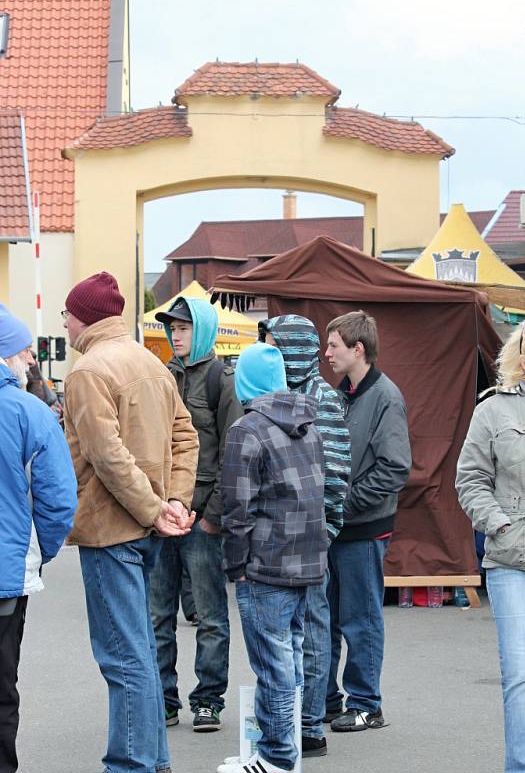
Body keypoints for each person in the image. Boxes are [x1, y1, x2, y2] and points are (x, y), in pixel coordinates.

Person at [62, 272, 199, 773]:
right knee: (138, 649)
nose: (65, 322)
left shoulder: (87, 371)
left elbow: (106, 455)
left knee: (123, 656)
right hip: (149, 527)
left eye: (67, 314)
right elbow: (188, 439)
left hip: (111, 528)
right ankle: (152, 760)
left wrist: (154, 508)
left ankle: (133, 764)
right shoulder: (153, 364)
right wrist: (174, 503)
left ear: (83, 318)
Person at [218, 342, 329, 773]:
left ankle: (276, 757)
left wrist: (236, 568)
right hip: (307, 562)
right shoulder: (310, 424)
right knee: (291, 658)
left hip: (264, 566)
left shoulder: (246, 430)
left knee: (274, 665)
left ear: (244, 381)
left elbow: (236, 509)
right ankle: (284, 750)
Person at [258, 314, 350, 757]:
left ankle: (311, 725)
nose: (272, 354)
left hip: (311, 539)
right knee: (283, 636)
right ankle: (286, 719)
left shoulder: (320, 398)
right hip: (278, 543)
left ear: (295, 348)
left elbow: (335, 472)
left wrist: (325, 531)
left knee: (311, 631)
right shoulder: (275, 396)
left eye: (277, 346)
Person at [150, 295, 242, 731]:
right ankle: (163, 698)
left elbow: (233, 452)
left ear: (202, 329)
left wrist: (212, 516)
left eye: (184, 327)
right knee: (158, 614)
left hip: (202, 517)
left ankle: (208, 700)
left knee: (209, 615)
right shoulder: (161, 376)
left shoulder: (222, 381)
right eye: (172, 328)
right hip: (161, 516)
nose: (176, 334)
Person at [324, 311, 411, 732]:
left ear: (358, 350)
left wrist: (344, 504)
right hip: (335, 528)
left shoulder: (386, 397)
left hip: (363, 527)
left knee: (361, 619)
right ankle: (327, 700)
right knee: (326, 618)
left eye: (333, 347)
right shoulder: (340, 395)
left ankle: (365, 704)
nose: (327, 355)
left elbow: (395, 468)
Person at [0, 304, 77, 773]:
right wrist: (37, 553)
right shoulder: (29, 412)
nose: (31, 361)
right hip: (5, 577)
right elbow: (57, 500)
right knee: (1, 687)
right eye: (25, 351)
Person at [456, 317, 525, 773]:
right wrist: (499, 525)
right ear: (524, 359)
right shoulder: (494, 410)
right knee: (523, 675)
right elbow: (470, 480)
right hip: (512, 559)